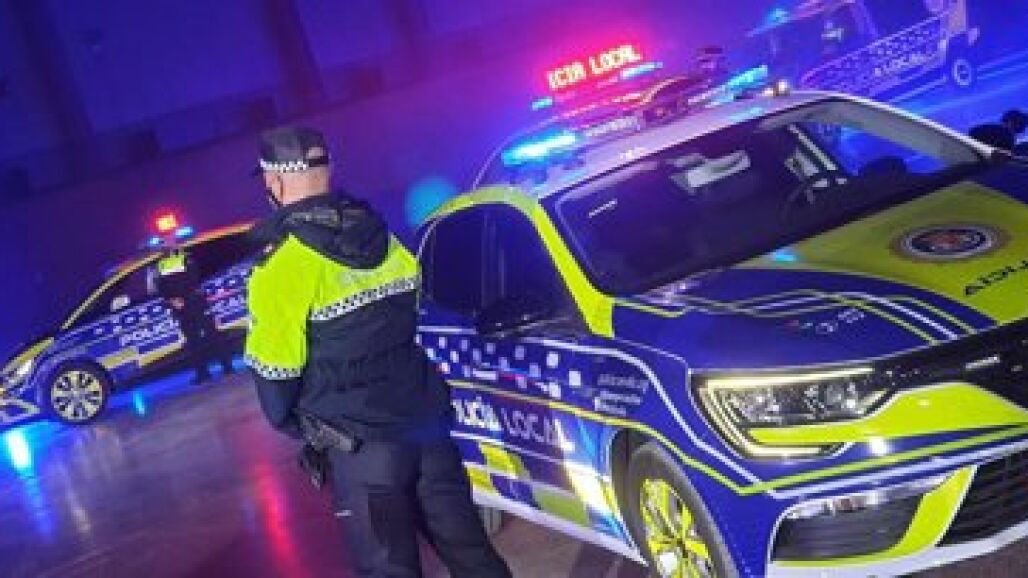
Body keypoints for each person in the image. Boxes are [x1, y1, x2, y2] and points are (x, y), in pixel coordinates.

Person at [244, 126, 512, 578]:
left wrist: (303, 426)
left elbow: (275, 373)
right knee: (474, 557)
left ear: (274, 181)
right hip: (427, 429)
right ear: (329, 170)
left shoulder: (281, 267)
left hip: (362, 447)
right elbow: (412, 308)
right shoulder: (383, 238)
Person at [154, 246, 234, 384]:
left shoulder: (184, 258)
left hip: (194, 303)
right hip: (185, 307)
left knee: (211, 336)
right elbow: (161, 287)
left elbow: (194, 279)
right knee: (194, 341)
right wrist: (172, 300)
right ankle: (205, 373)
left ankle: (226, 367)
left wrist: (177, 298)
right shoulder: (161, 265)